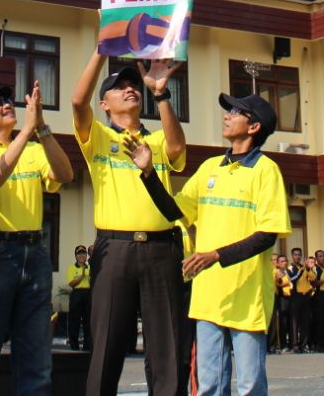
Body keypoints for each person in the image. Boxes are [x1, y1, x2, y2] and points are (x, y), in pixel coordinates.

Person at [126, 92, 289, 396]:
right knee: (209, 386)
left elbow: (268, 235)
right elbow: (175, 210)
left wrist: (215, 255)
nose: (227, 115)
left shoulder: (266, 170)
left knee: (250, 385)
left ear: (254, 127)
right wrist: (148, 173)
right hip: (208, 296)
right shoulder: (210, 167)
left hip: (247, 296)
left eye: (235, 112)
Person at [72, 52, 187, 396]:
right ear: (104, 104)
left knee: (167, 349)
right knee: (106, 346)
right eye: (119, 87)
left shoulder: (156, 140)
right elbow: (77, 102)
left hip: (162, 250)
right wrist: (100, 51)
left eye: (133, 85)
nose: (129, 89)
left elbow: (177, 147)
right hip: (115, 250)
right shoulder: (98, 137)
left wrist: (161, 94)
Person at [0, 80, 74, 395]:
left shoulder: (34, 149)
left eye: (8, 100)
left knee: (37, 363)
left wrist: (42, 128)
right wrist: (26, 132)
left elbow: (65, 175)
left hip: (33, 252)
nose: (6, 105)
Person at [68, 246, 93, 351]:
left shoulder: (91, 267)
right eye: (79, 253)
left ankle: (87, 346)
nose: (81, 255)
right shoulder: (72, 268)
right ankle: (74, 346)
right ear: (76, 256)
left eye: (83, 253)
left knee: (88, 321)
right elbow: (71, 284)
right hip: (76, 294)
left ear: (86, 255)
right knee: (74, 321)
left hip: (88, 294)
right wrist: (82, 276)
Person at [288, 248, 313, 353]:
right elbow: (293, 279)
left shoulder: (304, 268)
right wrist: (302, 270)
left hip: (305, 296)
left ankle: (304, 344)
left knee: (305, 321)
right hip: (295, 296)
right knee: (294, 322)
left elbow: (313, 278)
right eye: (295, 255)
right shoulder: (290, 267)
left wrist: (308, 269)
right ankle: (294, 345)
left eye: (299, 255)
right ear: (292, 256)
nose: (297, 257)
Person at [270, 254, 293, 353]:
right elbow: (278, 283)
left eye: (285, 261)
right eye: (275, 260)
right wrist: (285, 282)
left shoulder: (288, 271)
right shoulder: (274, 271)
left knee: (290, 321)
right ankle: (277, 345)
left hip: (291, 297)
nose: (284, 263)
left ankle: (290, 344)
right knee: (279, 321)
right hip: (279, 296)